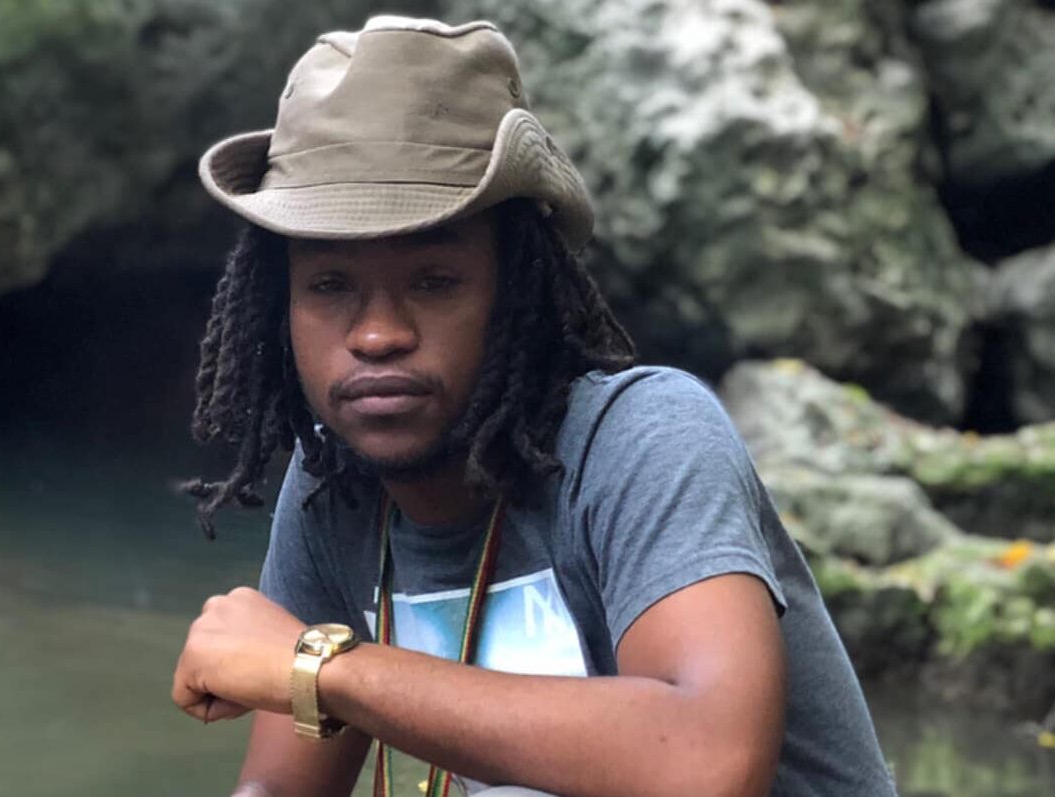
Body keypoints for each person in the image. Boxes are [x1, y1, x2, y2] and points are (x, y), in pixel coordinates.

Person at [172, 15, 898, 797]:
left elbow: (705, 765)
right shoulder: (333, 486)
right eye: (329, 285)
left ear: (515, 288)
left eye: (434, 281)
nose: (378, 333)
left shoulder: (642, 442)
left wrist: (326, 669)